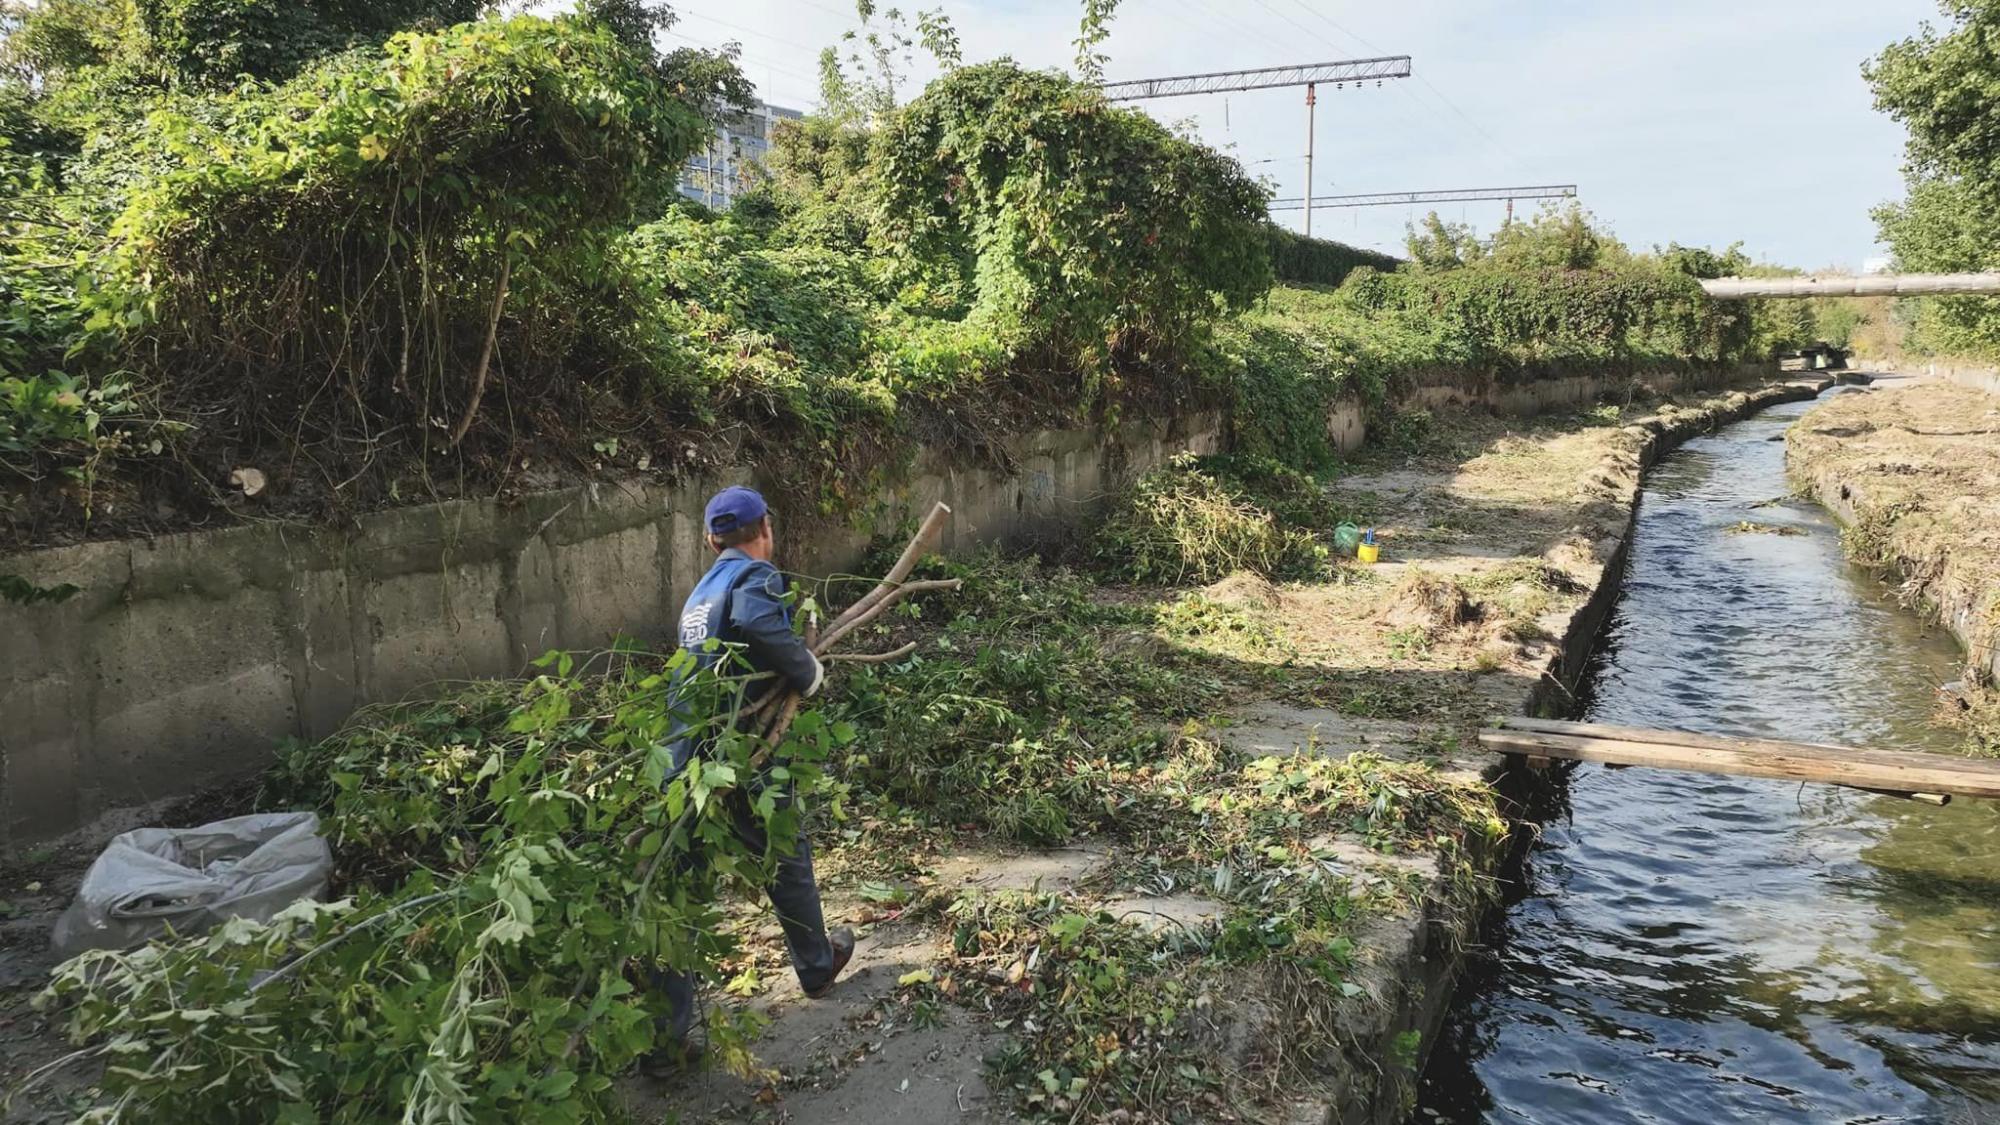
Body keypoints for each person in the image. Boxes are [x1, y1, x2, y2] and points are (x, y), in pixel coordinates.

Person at [643, 485, 856, 1075]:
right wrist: (805, 669)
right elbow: (760, 625)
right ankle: (816, 967)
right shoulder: (753, 578)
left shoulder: (698, 594)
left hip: (687, 761)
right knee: (784, 851)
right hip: (742, 757)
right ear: (764, 528)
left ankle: (663, 1045)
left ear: (711, 539)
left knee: (676, 896)